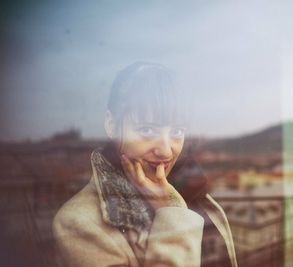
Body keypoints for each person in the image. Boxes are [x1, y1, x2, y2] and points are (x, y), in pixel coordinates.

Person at [52, 62, 237, 267]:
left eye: (176, 131)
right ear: (112, 126)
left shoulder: (192, 193)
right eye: (147, 130)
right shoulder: (80, 223)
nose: (166, 151)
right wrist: (172, 214)